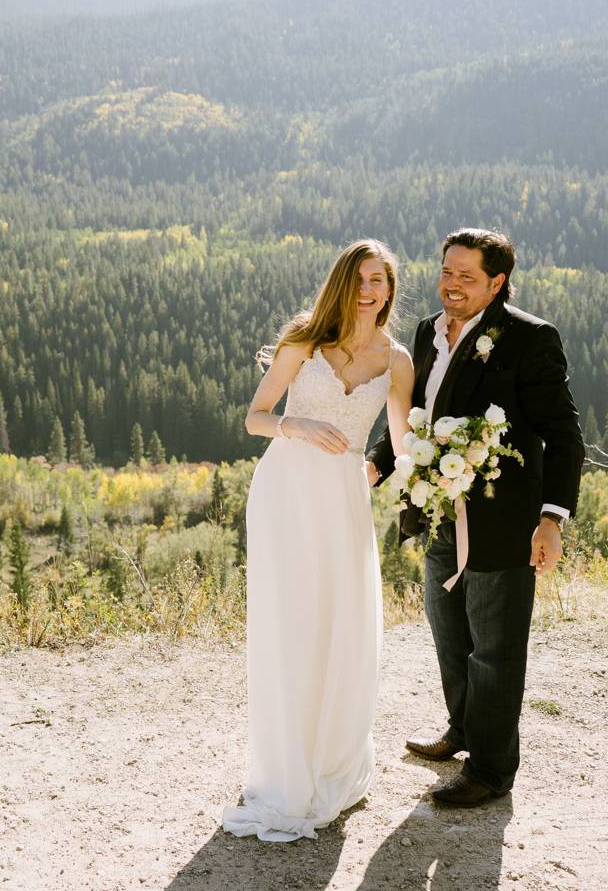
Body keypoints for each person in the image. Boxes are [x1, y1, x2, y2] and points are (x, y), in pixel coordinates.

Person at [366, 227, 584, 807]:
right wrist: (376, 465)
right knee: (450, 634)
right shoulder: (424, 334)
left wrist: (552, 519)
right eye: (447, 271)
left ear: (497, 282)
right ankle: (463, 732)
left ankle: (491, 769)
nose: (452, 285)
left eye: (467, 276)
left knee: (496, 647)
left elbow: (563, 435)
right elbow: (411, 416)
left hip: (503, 521)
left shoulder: (529, 338)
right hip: (437, 513)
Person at [221, 239, 416, 842]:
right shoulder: (302, 341)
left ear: (389, 288)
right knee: (292, 621)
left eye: (379, 279)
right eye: (359, 278)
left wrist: (425, 471)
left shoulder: (397, 358)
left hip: (343, 499)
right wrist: (295, 424)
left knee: (342, 621)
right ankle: (285, 763)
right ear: (342, 282)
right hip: (287, 490)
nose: (369, 289)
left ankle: (331, 756)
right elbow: (254, 417)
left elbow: (404, 440)